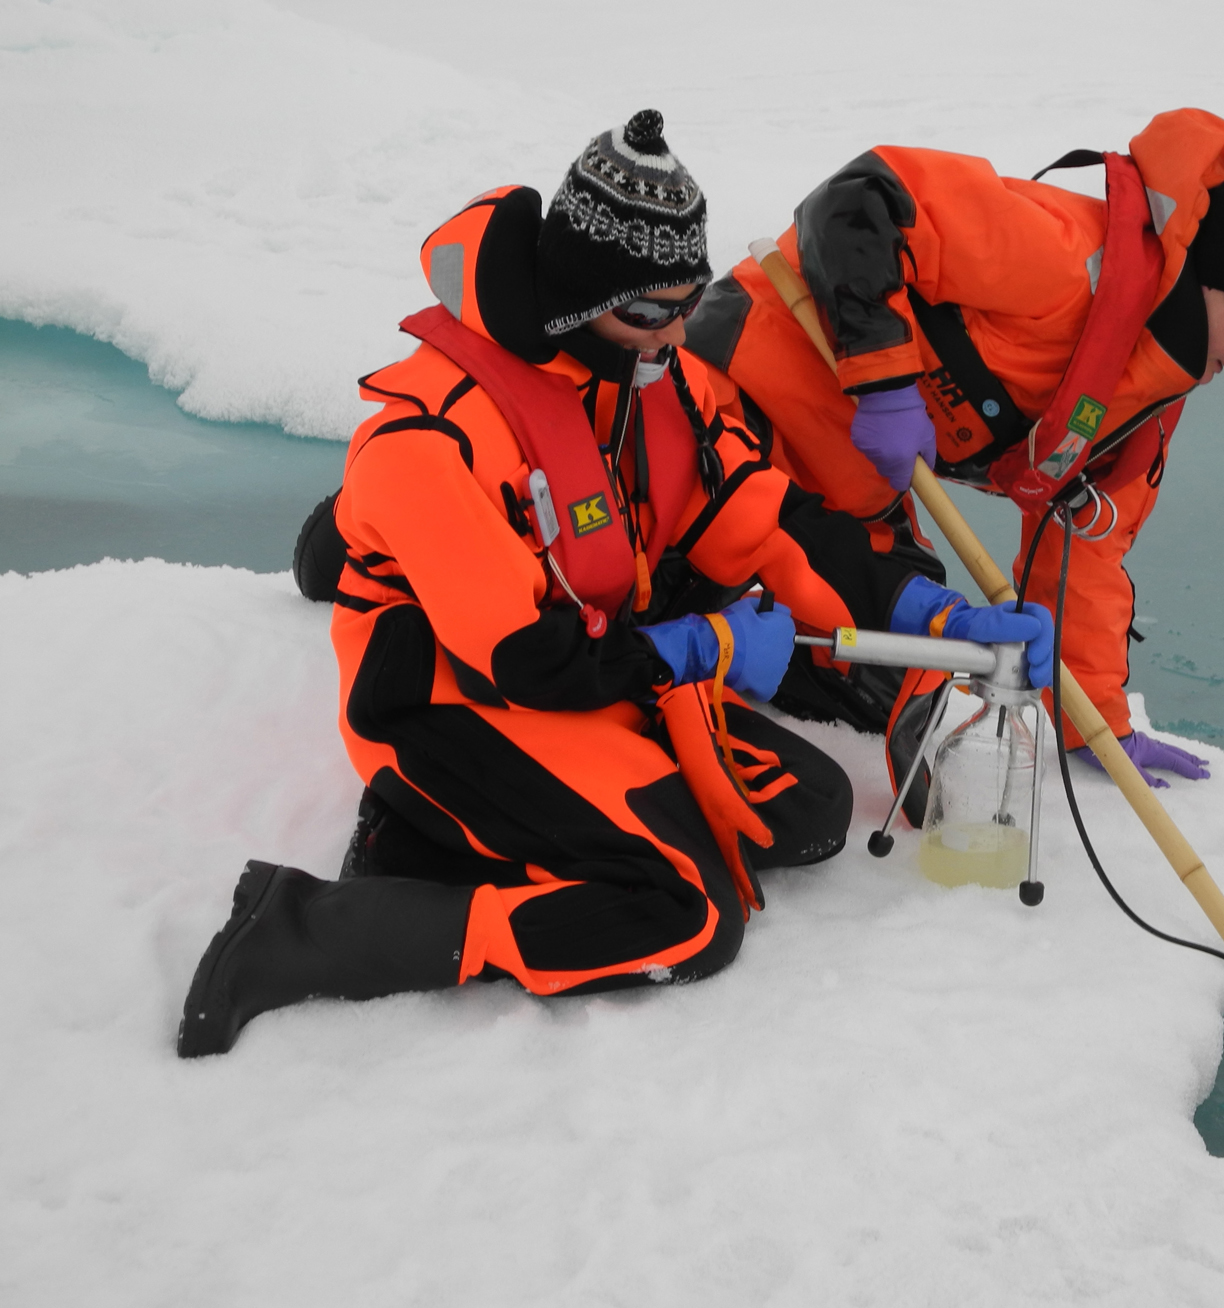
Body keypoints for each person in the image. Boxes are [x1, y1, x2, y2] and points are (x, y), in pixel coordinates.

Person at [177, 111, 1052, 1058]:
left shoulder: (652, 378)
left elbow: (770, 523)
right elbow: (526, 659)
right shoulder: (426, 441)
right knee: (687, 916)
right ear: (578, 297)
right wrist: (703, 647)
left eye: (690, 300)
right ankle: (306, 928)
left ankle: (465, 832)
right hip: (452, 696)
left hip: (594, 655)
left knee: (806, 815)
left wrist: (932, 612)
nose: (677, 332)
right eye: (650, 310)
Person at [684, 108, 1224, 790]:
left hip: (841, 488)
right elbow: (859, 202)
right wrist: (883, 383)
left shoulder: (1146, 406)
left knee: (893, 683)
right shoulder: (1060, 257)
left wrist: (1097, 726)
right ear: (1213, 286)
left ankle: (740, 650)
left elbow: (1084, 551)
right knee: (693, 576)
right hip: (730, 395)